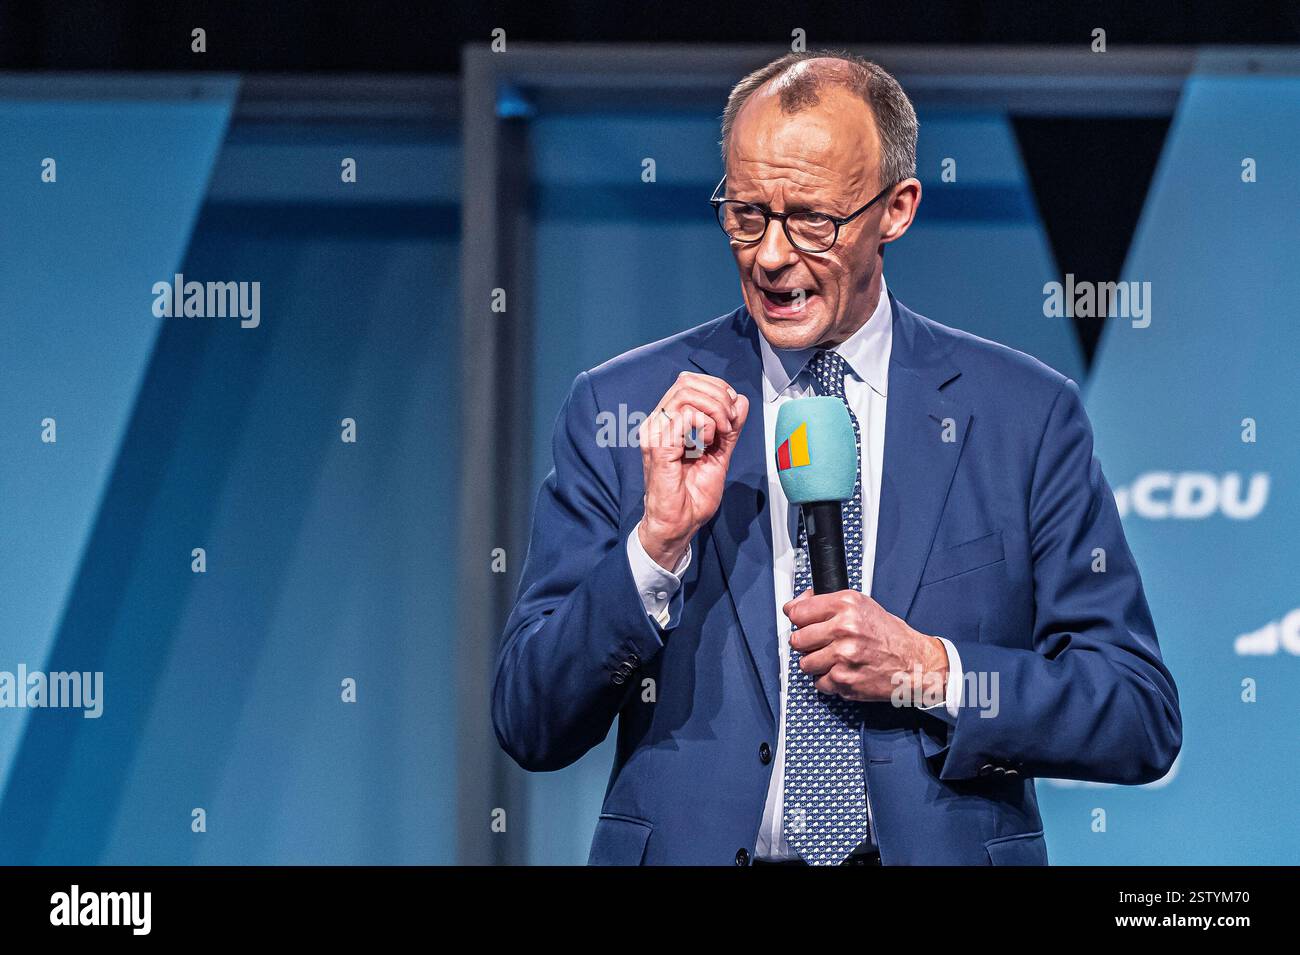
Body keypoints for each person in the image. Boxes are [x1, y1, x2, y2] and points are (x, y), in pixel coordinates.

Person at [492, 50, 1181, 866]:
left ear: (896, 209)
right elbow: (528, 720)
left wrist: (930, 669)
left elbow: (1138, 713)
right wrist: (655, 549)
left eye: (812, 219)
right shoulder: (623, 406)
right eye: (747, 214)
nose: (772, 256)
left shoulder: (1023, 415)